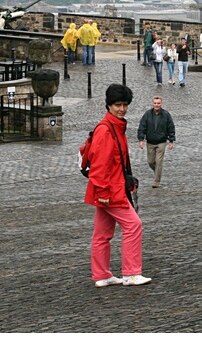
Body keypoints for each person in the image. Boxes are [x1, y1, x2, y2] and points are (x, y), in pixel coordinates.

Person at [84, 83, 151, 288]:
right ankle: (131, 273)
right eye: (117, 105)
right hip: (109, 190)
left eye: (124, 104)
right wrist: (104, 192)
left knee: (102, 234)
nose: (121, 108)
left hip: (109, 188)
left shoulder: (113, 127)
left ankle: (102, 275)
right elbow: (99, 165)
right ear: (109, 105)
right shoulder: (107, 130)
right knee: (133, 225)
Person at [137, 96, 176, 188]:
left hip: (161, 142)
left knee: (159, 162)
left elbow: (171, 128)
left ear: (161, 104)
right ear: (152, 104)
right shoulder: (147, 114)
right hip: (150, 142)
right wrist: (141, 139)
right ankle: (157, 172)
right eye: (155, 103)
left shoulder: (166, 115)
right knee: (150, 161)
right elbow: (142, 127)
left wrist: (171, 140)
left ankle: (156, 181)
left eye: (158, 103)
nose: (156, 105)